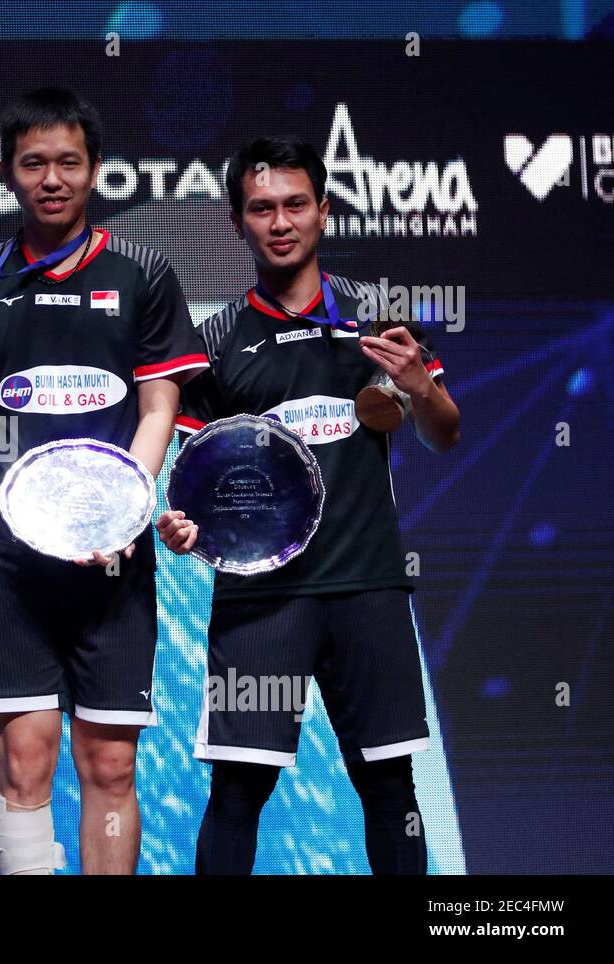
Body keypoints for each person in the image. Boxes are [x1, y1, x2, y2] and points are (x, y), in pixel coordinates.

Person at [0, 87, 209, 874]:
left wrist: (117, 516)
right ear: (7, 173)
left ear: (96, 170)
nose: (52, 178)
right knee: (25, 761)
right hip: (2, 557)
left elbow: (160, 404)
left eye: (68, 162)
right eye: (33, 163)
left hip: (110, 559)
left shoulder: (144, 273)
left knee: (110, 766)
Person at [157, 135, 461, 874]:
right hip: (262, 603)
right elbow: (198, 482)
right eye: (262, 208)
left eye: (296, 204)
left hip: (368, 589)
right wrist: (185, 528)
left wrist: (419, 383)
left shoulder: (377, 316)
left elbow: (445, 434)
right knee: (236, 792)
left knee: (391, 787)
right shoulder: (219, 340)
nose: (281, 221)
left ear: (324, 211)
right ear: (238, 222)